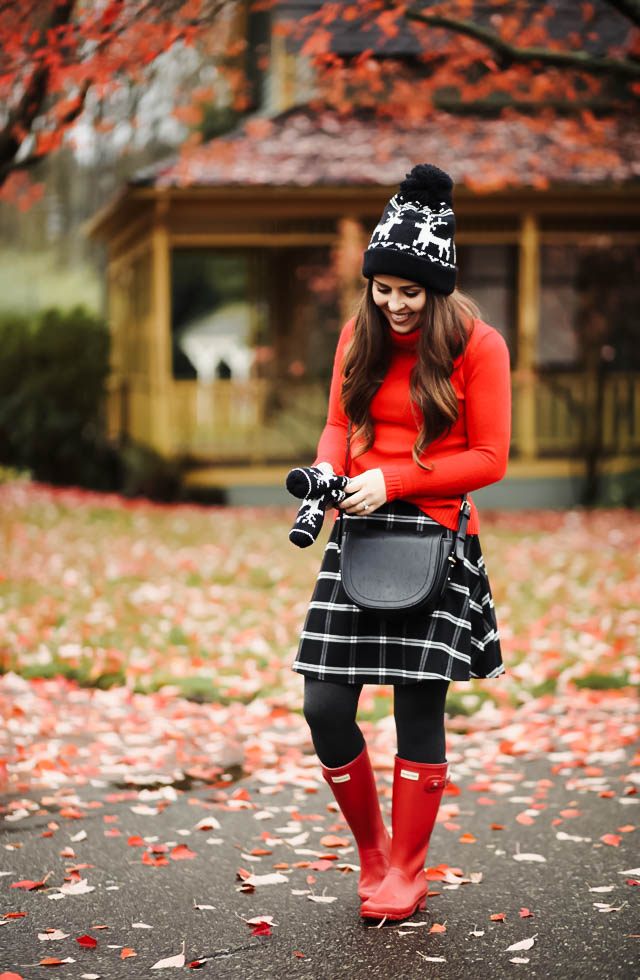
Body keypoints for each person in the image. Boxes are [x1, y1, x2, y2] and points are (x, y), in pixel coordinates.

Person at [290, 163, 511, 922]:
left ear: (438, 287)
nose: (394, 304)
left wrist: (394, 481)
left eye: (409, 292)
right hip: (360, 533)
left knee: (417, 711)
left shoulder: (479, 347)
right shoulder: (361, 332)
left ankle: (408, 873)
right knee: (324, 704)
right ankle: (374, 853)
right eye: (383, 289)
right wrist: (327, 471)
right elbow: (336, 422)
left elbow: (491, 458)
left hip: (435, 536)